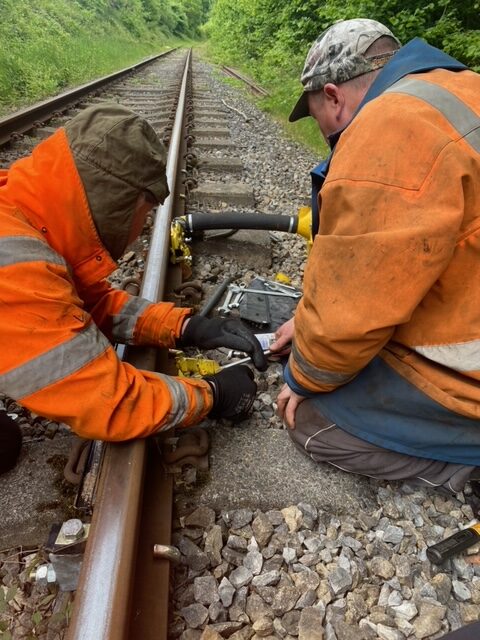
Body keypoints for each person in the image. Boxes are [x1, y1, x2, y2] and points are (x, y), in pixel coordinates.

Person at [271, 18, 480, 494]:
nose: (324, 130)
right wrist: (305, 321)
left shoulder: (385, 130)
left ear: (333, 96)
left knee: (312, 422)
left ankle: (463, 465)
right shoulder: (463, 89)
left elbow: (353, 311)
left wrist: (302, 374)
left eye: (315, 113)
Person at [0, 104, 267, 474]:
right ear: (114, 204)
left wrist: (187, 327)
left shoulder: (22, 218)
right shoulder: (14, 269)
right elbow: (110, 401)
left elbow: (88, 307)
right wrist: (214, 394)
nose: (142, 230)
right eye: (144, 216)